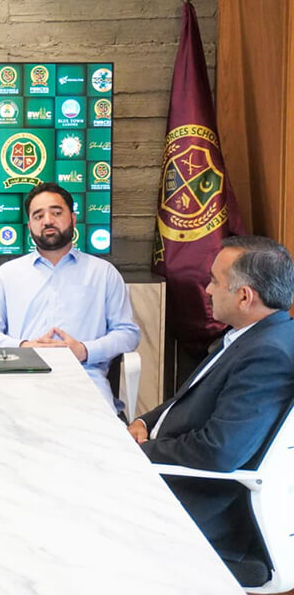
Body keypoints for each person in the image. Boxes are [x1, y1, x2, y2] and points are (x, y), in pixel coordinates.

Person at [128, 236, 294, 585]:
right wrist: (145, 421)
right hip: (171, 474)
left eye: (215, 282)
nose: (206, 290)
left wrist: (142, 451)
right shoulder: (252, 334)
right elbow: (187, 400)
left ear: (244, 296)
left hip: (200, 508)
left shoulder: (268, 353)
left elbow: (220, 451)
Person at [0, 182, 140, 413]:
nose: (48, 221)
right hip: (20, 382)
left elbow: (128, 334)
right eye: (38, 215)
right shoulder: (6, 275)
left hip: (85, 383)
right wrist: (24, 347)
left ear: (72, 219)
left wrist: (84, 350)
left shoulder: (103, 274)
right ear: (30, 225)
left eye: (56, 212)